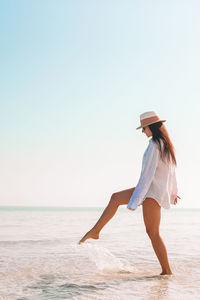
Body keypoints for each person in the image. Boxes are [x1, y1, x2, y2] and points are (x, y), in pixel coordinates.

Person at [78, 111, 181, 275]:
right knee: (115, 198)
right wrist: (173, 192)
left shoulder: (155, 145)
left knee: (153, 232)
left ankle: (167, 271)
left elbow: (148, 174)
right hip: (152, 190)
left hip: (151, 192)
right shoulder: (163, 144)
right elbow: (171, 172)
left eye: (143, 128)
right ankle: (96, 231)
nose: (142, 131)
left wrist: (136, 199)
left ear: (151, 127)